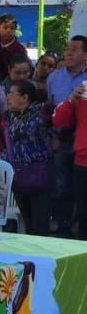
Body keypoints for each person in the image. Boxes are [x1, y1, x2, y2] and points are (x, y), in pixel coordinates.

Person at [0, 80, 54, 236]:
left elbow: (57, 132)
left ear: (24, 97)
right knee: (28, 223)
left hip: (40, 173)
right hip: (20, 175)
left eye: (11, 94)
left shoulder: (42, 113)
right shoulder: (10, 116)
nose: (7, 98)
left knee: (40, 223)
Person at [47, 36, 87, 238]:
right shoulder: (54, 78)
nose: (69, 52)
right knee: (63, 187)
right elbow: (53, 112)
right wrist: (54, 136)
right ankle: (64, 229)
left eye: (75, 49)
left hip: (82, 140)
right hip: (63, 139)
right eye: (67, 48)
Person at [53, 81, 87, 240]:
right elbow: (59, 121)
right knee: (83, 214)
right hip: (82, 162)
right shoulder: (83, 91)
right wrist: (71, 99)